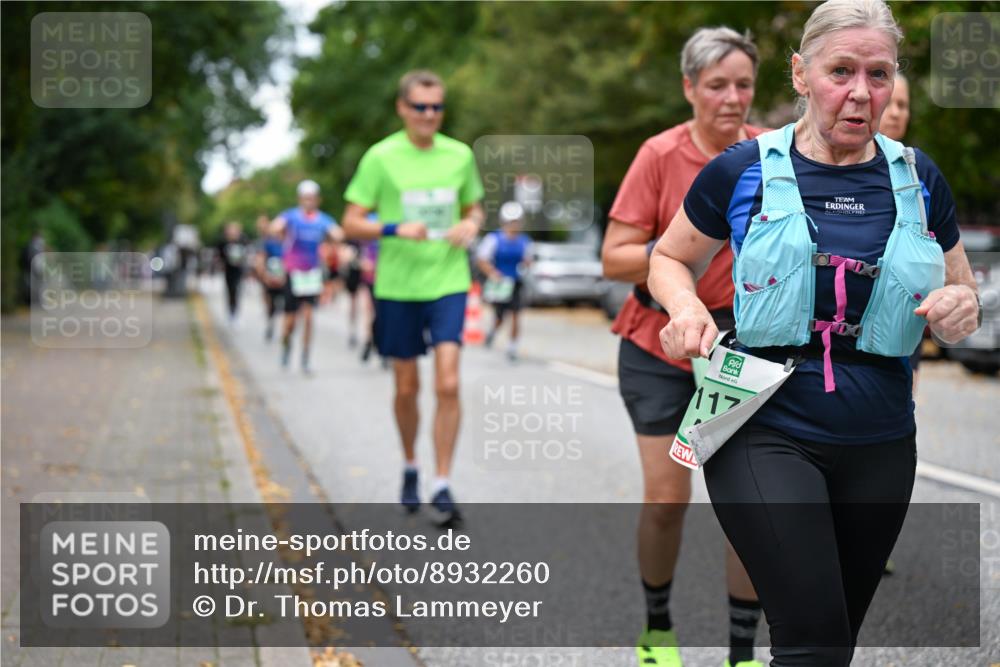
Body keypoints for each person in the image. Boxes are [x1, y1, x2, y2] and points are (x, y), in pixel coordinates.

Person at [647, 1, 980, 664]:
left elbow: (962, 286)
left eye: (879, 74)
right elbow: (667, 257)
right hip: (763, 424)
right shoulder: (741, 169)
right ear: (801, 74)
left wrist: (961, 307)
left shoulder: (919, 178)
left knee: (831, 641)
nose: (861, 92)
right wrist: (686, 310)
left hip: (881, 437)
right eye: (841, 71)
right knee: (813, 643)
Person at [601, 27, 766, 667]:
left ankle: (742, 650)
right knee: (669, 500)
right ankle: (658, 628)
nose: (732, 98)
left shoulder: (769, 155)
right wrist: (680, 249)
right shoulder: (659, 155)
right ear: (689, 88)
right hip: (657, 344)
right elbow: (614, 258)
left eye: (744, 85)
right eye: (717, 85)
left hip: (738, 349)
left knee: (751, 502)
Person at [342, 69, 485, 526]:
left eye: (437, 107)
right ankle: (410, 466)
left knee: (447, 383)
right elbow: (350, 222)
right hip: (398, 285)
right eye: (420, 107)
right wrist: (393, 227)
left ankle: (441, 482)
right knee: (407, 387)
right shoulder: (380, 158)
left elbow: (473, 206)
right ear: (403, 108)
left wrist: (471, 224)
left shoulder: (459, 155)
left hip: (447, 280)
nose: (429, 115)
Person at [272, 180, 343, 374]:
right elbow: (276, 226)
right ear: (300, 199)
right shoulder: (291, 216)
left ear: (317, 199)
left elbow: (337, 233)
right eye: (305, 198)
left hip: (312, 275)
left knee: (310, 317)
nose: (309, 201)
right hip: (293, 273)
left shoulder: (323, 219)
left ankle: (305, 357)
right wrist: (278, 230)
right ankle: (286, 345)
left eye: (312, 198)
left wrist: (337, 239)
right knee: (290, 321)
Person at [477, 201, 533, 362]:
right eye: (511, 222)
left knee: (516, 315)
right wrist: (492, 273)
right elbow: (482, 260)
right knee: (500, 317)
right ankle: (493, 332)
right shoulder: (494, 239)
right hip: (499, 284)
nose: (514, 225)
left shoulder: (524, 241)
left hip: (515, 282)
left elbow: (527, 259)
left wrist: (527, 265)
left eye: (517, 222)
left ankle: (512, 347)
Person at [254, 214, 286, 342]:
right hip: (270, 278)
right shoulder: (267, 243)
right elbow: (261, 260)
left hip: (284, 279)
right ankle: (270, 324)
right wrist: (264, 276)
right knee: (271, 304)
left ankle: (285, 332)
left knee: (286, 307)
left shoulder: (288, 243)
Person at [217, 221, 248, 324]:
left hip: (238, 271)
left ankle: (235, 312)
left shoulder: (242, 240)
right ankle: (231, 311)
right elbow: (219, 255)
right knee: (230, 291)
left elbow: (246, 253)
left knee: (237, 290)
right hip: (228, 271)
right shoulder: (223, 242)